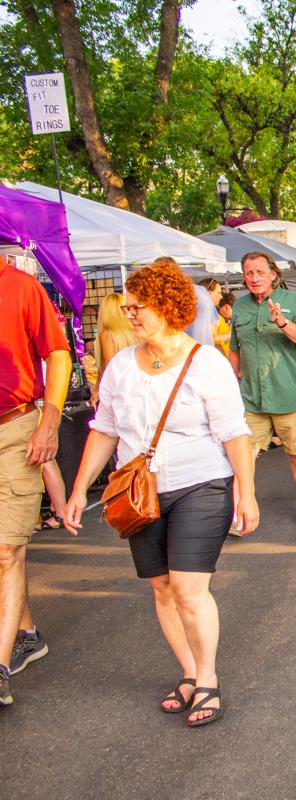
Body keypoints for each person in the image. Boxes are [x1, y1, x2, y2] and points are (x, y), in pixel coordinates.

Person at [62, 258, 258, 727]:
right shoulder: (121, 367)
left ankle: (207, 679)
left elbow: (235, 434)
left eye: (139, 306)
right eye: (126, 307)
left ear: (168, 307)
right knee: (162, 589)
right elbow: (104, 430)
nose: (129, 314)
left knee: (189, 588)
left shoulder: (205, 363)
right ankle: (189, 672)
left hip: (201, 485)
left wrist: (245, 493)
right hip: (140, 491)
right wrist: (77, 490)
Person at [0, 257, 70, 707]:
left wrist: (50, 421)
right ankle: (26, 632)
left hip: (13, 430)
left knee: (6, 550)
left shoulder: (21, 285)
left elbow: (58, 355)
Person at [228, 252, 296, 526]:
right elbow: (235, 350)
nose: (253, 278)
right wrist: (228, 388)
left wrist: (282, 322)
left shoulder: (293, 302)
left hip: (289, 395)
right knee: (243, 456)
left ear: (272, 274)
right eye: (248, 273)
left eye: (259, 272)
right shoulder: (240, 308)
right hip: (251, 398)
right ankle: (239, 511)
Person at [187, 278, 220, 348]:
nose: (221, 296)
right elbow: (214, 338)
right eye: (219, 293)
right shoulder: (207, 315)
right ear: (208, 293)